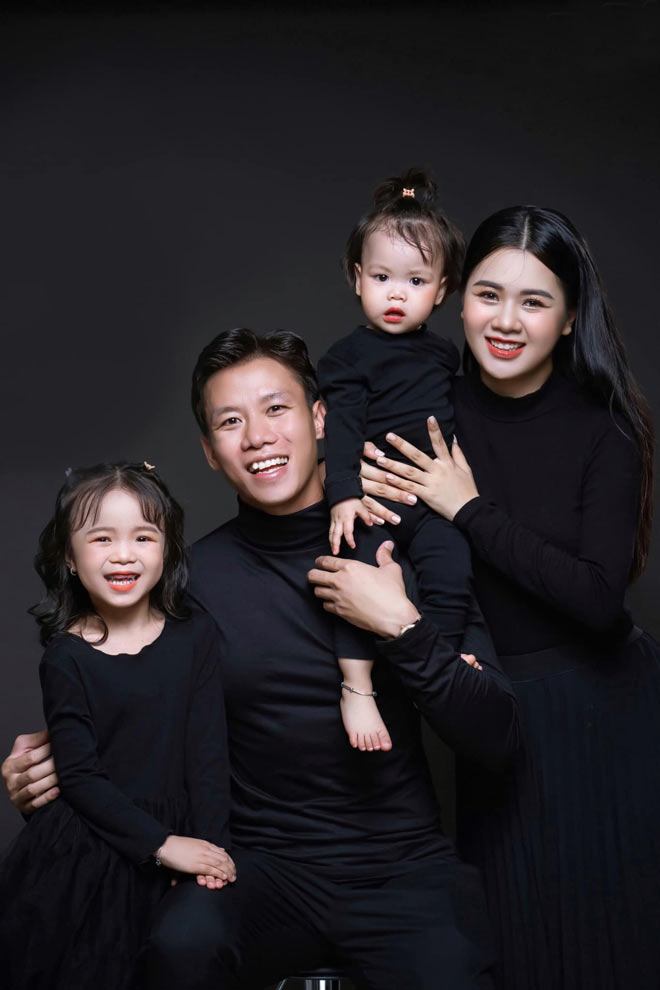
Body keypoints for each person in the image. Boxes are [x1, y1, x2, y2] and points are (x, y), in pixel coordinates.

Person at [4, 328, 519, 989]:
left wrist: (401, 626)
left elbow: (497, 737)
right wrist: (51, 779)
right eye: (230, 421)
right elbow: (123, 718)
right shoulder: (189, 586)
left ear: (320, 418)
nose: (257, 437)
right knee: (176, 949)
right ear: (210, 451)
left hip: (401, 868)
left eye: (276, 408)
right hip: (258, 868)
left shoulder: (407, 546)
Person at [347, 206, 660, 989]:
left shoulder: (606, 430)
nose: (507, 321)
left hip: (603, 721)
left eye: (535, 301)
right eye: (489, 295)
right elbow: (361, 536)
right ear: (457, 300)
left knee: (610, 954)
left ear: (570, 317)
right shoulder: (425, 409)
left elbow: (598, 600)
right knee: (514, 952)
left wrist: (468, 508)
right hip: (490, 717)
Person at [0, 462, 234, 990]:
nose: (123, 554)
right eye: (101, 538)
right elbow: (79, 776)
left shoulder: (195, 636)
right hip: (92, 848)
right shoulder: (66, 656)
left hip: (182, 831)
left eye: (143, 537)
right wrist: (160, 845)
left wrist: (208, 852)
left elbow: (208, 754)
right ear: (69, 556)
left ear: (167, 549)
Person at [318, 167, 472, 753]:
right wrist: (344, 495)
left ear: (442, 290)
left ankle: (447, 657)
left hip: (430, 503)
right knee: (352, 571)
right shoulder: (349, 357)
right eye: (381, 277)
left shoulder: (444, 355)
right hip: (372, 499)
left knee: (452, 566)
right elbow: (343, 429)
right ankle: (357, 686)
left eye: (415, 280)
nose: (397, 293)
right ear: (357, 278)